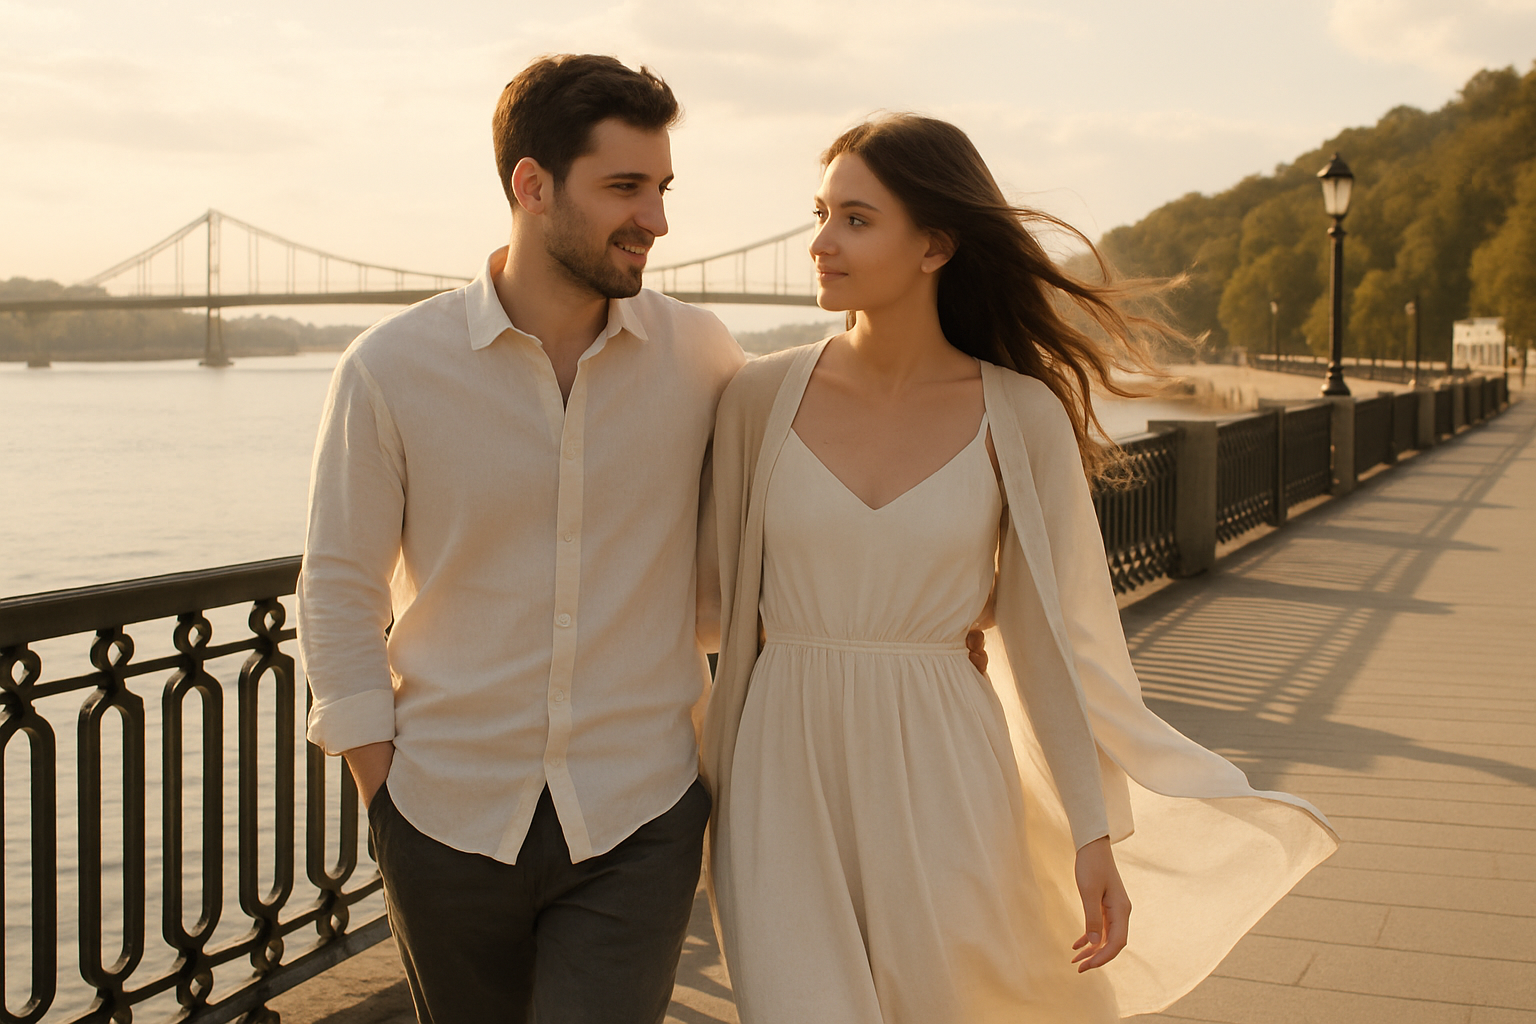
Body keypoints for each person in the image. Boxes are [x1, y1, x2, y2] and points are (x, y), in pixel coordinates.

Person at [700, 114, 1339, 1023]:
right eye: (820, 213)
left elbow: (1055, 640)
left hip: (948, 768)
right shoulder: (756, 399)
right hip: (778, 773)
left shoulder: (1020, 414)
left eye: (854, 218)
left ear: (935, 245)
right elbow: (704, 603)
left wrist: (1090, 833)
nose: (820, 243)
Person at [296, 55, 748, 1023]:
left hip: (640, 814)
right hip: (442, 815)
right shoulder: (389, 370)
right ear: (530, 186)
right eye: (625, 187)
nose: (658, 220)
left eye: (663, 189)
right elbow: (339, 590)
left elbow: (814, 464)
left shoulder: (705, 356)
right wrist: (385, 798)